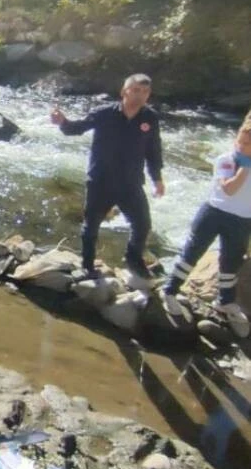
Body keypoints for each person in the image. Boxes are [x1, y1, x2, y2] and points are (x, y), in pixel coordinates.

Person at [50, 73, 165, 278]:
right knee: (92, 225)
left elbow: (153, 150)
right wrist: (62, 122)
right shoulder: (104, 114)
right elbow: (76, 129)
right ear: (124, 92)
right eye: (136, 90)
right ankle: (87, 265)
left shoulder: (150, 118)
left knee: (142, 224)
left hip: (131, 182)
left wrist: (157, 178)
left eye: (145, 92)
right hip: (101, 180)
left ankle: (134, 259)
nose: (140, 96)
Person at [159, 119, 251, 337]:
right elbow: (229, 189)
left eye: (248, 144)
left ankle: (225, 303)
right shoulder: (226, 160)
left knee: (231, 261)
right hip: (214, 214)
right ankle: (170, 290)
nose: (242, 146)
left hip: (242, 220)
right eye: (241, 141)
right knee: (193, 251)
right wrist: (246, 166)